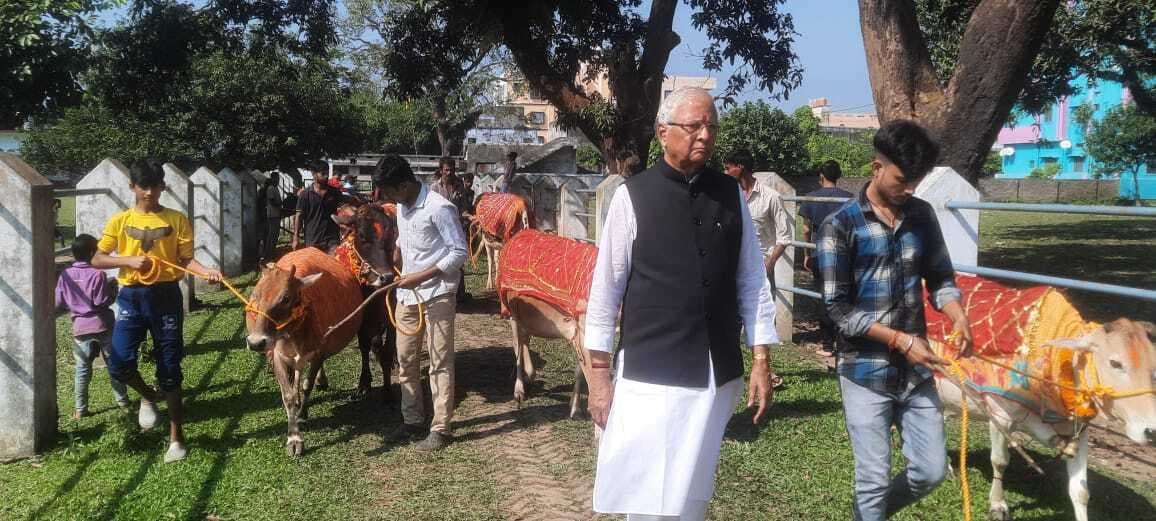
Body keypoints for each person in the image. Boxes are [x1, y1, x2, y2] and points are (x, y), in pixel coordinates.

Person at [584, 87, 779, 520]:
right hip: (651, 373)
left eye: (711, 126)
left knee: (693, 493)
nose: (705, 135)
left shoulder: (731, 196)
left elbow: (751, 279)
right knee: (647, 496)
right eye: (694, 126)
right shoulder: (631, 197)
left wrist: (761, 358)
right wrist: (599, 375)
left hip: (715, 371)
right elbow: (605, 291)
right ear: (663, 132)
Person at [816, 120, 974, 521]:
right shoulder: (840, 225)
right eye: (902, 180)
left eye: (915, 182)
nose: (909, 190)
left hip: (915, 374)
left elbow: (940, 277)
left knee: (931, 471)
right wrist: (902, 341)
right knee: (872, 479)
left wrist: (957, 313)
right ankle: (868, 511)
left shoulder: (921, 216)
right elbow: (837, 309)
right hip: (864, 371)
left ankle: (867, 514)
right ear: (876, 167)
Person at [91, 160, 222, 463]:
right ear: (133, 187)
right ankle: (149, 397)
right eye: (143, 186)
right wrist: (127, 261)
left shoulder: (177, 219)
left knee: (170, 366)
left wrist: (207, 272)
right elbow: (98, 259)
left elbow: (186, 260)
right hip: (131, 297)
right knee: (119, 362)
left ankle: (177, 438)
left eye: (155, 186)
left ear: (163, 186)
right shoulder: (120, 221)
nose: (149, 192)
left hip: (166, 297)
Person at [373, 154, 468, 452]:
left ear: (403, 185)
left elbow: (458, 253)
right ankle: (412, 419)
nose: (386, 198)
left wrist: (420, 276)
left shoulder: (440, 208)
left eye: (387, 192)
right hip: (407, 295)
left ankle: (441, 426)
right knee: (405, 357)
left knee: (439, 359)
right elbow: (407, 238)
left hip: (438, 292)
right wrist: (396, 255)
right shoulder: (401, 208)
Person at [56, 234, 130, 419]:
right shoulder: (98, 274)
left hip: (80, 327)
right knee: (113, 363)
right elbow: (101, 300)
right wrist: (113, 287)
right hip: (103, 325)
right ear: (92, 252)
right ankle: (123, 402)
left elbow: (58, 300)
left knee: (82, 368)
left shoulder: (66, 274)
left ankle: (80, 409)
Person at [800, 160, 854, 357]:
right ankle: (844, 343)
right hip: (844, 255)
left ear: (821, 176)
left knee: (825, 297)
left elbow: (806, 229)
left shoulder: (811, 198)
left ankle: (827, 345)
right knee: (845, 297)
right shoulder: (849, 198)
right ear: (838, 176)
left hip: (820, 254)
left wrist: (807, 254)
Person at [721, 149, 792, 282]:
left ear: (740, 166)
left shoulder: (771, 197)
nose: (725, 173)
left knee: (763, 302)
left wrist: (771, 261)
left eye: (727, 168)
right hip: (733, 267)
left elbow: (785, 236)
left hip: (761, 268)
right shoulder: (728, 196)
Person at [431, 157, 472, 302]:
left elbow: (463, 209)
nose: (449, 172)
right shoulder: (434, 188)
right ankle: (439, 294)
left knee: (458, 262)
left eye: (452, 170)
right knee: (440, 261)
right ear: (441, 170)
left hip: (456, 230)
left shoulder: (460, 187)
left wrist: (470, 217)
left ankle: (459, 295)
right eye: (446, 170)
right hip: (439, 232)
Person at [292, 161, 343, 252]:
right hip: (313, 240)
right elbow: (299, 216)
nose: (327, 176)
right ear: (314, 174)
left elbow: (342, 210)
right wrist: (296, 238)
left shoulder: (335, 193)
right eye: (323, 174)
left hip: (332, 239)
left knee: (333, 264)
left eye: (327, 173)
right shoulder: (305, 195)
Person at [260, 172, 283, 262]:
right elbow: (271, 200)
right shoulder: (271, 188)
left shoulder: (275, 188)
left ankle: (272, 252)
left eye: (278, 179)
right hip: (272, 215)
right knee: (272, 235)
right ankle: (269, 254)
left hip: (276, 214)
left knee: (275, 234)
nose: (278, 181)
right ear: (273, 178)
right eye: (276, 179)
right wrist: (279, 204)